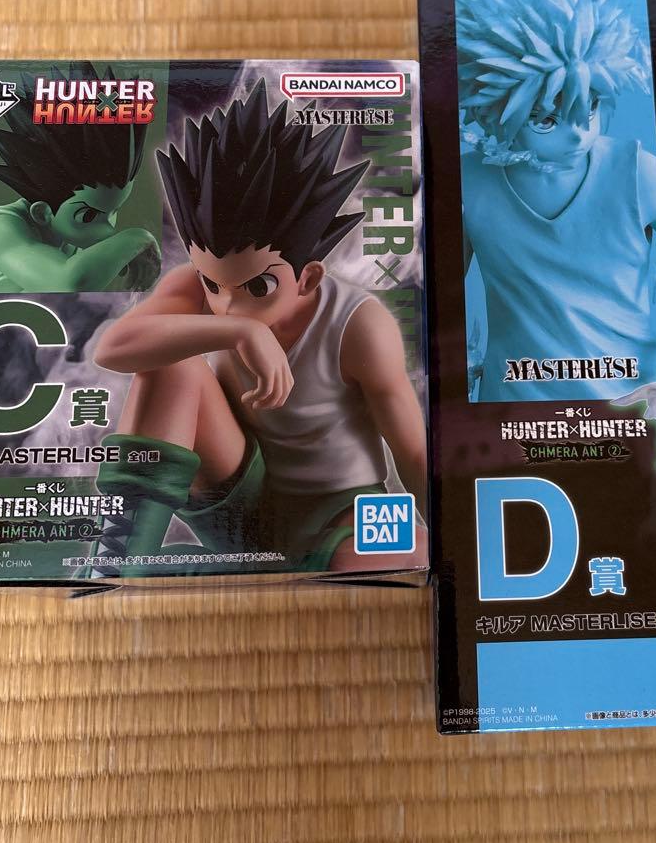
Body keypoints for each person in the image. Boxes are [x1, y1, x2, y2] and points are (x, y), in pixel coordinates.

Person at [90, 80, 426, 576]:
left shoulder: (358, 324)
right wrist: (240, 333)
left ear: (308, 277)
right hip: (243, 501)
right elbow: (113, 349)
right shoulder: (197, 290)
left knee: (403, 553)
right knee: (172, 363)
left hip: (342, 512)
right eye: (213, 282)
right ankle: (117, 566)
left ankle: (235, 575)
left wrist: (447, 538)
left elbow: (412, 451)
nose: (227, 304)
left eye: (258, 286)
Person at [457, 0, 656, 401]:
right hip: (510, 416)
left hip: (634, 412)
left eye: (589, 108)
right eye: (546, 120)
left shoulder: (637, 173)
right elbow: (436, 305)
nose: (578, 135)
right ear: (495, 114)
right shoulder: (469, 184)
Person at [0, 63, 159, 294]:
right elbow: (66, 283)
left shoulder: (72, 226)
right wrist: (138, 238)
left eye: (113, 211)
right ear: (42, 213)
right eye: (89, 215)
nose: (108, 230)